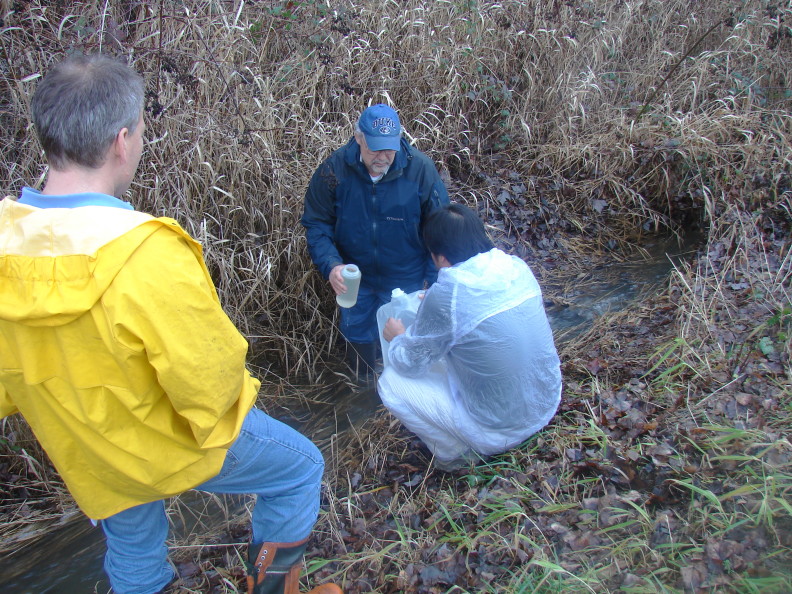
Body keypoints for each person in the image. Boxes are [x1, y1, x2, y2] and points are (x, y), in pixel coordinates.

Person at [0, 54, 341, 594]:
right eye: (138, 131)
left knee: (133, 548)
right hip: (171, 440)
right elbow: (210, 384)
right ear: (121, 141)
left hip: (91, 451)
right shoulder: (144, 251)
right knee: (299, 467)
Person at [377, 203, 562, 470]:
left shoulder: (448, 294)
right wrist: (433, 307)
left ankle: (459, 456)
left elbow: (408, 362)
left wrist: (397, 337)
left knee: (391, 383)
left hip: (503, 429)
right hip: (545, 403)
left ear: (439, 257)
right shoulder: (515, 267)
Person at [301, 104, 450, 378]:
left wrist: (434, 283)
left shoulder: (420, 170)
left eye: (389, 148)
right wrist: (332, 265)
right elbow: (316, 222)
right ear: (358, 138)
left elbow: (441, 229)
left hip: (406, 278)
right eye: (375, 148)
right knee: (357, 331)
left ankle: (397, 398)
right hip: (355, 279)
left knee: (402, 337)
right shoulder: (334, 169)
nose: (383, 156)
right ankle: (364, 388)